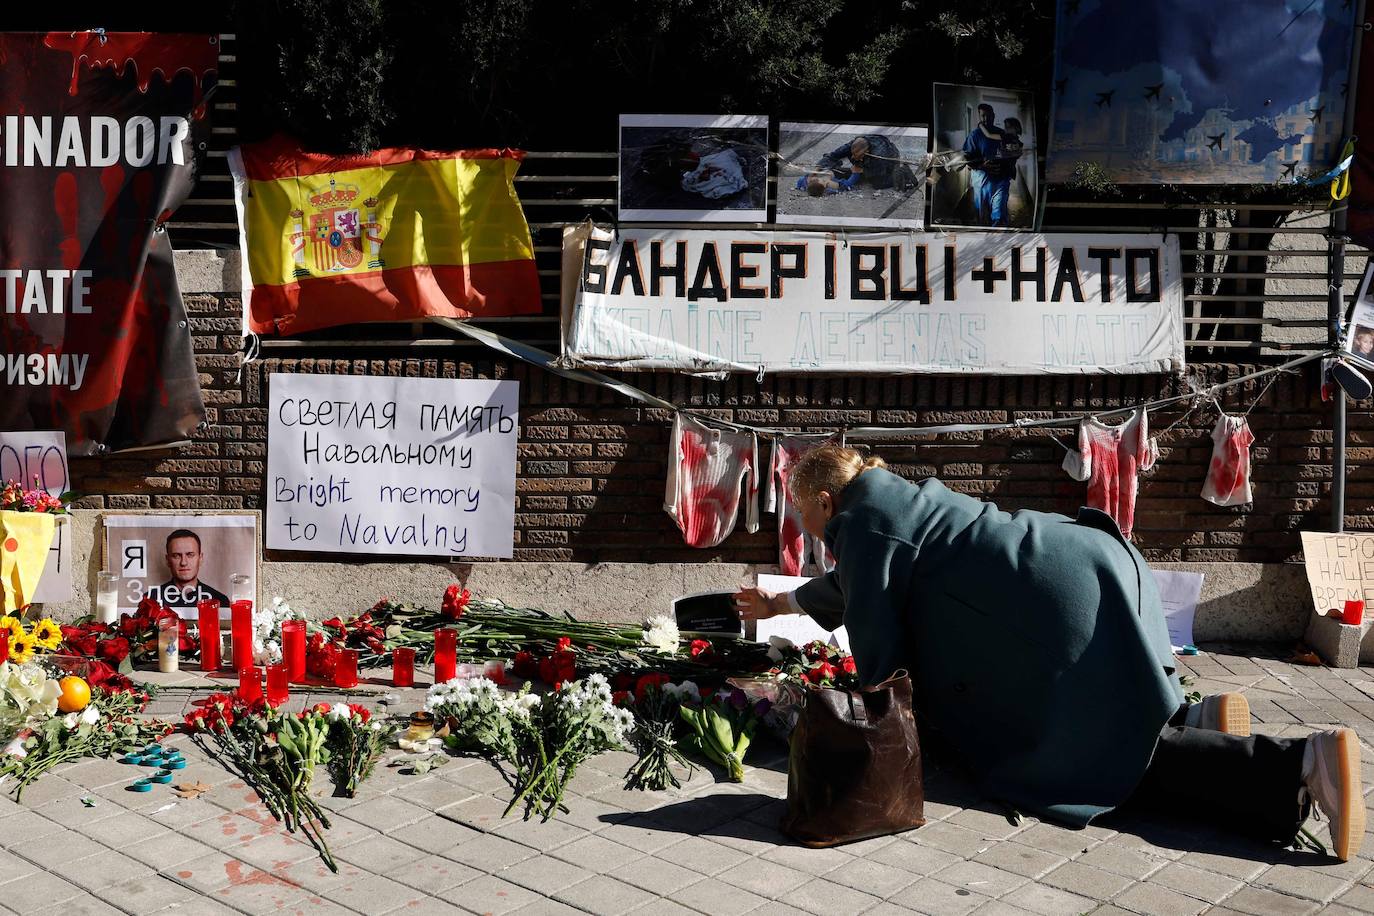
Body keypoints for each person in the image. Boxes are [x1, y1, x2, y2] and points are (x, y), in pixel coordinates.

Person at [734, 446, 1365, 860]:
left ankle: (1300, 767)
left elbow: (876, 643)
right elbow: (854, 588)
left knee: (1078, 755)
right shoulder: (891, 499)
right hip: (1082, 561)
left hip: (1049, 607)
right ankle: (1195, 718)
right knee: (1105, 700)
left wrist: (879, 731)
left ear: (822, 500)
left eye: (797, 510)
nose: (801, 525)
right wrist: (777, 606)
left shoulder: (865, 528)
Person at [143, 529, 231, 612]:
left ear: (200, 558)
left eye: (190, 555)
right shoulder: (151, 598)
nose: (183, 562)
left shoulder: (219, 600)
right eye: (176, 555)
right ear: (167, 560)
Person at [796, 134, 906, 196]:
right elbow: (832, 156)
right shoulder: (852, 145)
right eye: (853, 154)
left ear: (867, 152)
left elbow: (878, 172)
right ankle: (858, 170)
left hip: (887, 164)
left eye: (857, 157)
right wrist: (817, 169)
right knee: (840, 172)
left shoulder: (879, 154)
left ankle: (902, 174)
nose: (852, 158)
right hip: (864, 159)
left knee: (877, 183)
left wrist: (861, 172)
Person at [962, 103, 1011, 227]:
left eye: (988, 116)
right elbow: (967, 157)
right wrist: (981, 165)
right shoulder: (975, 136)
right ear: (979, 117)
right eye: (983, 116)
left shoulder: (1001, 134)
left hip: (1000, 182)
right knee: (982, 217)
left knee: (999, 216)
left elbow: (1011, 154)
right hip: (981, 183)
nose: (986, 119)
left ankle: (999, 242)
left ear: (993, 116)